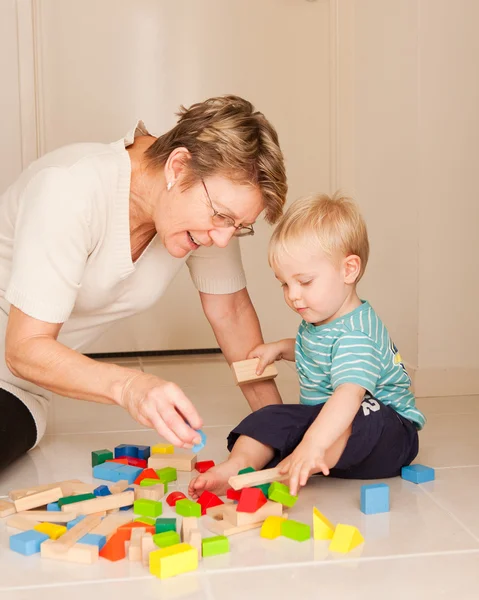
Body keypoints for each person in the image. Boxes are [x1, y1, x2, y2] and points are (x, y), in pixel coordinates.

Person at [0, 95, 288, 471]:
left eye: (238, 227)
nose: (223, 239)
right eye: (221, 217)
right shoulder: (70, 188)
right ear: (178, 166)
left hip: (17, 389)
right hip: (20, 361)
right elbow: (23, 348)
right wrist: (130, 387)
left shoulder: (203, 218)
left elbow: (231, 313)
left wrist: (281, 429)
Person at [189, 193, 425, 498]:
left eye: (305, 282)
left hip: (390, 436)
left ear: (348, 270)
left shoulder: (357, 334)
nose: (293, 295)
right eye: (285, 284)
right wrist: (280, 349)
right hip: (333, 427)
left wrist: (314, 442)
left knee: (355, 414)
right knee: (273, 415)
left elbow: (349, 393)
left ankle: (293, 466)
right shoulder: (320, 321)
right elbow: (314, 350)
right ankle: (240, 464)